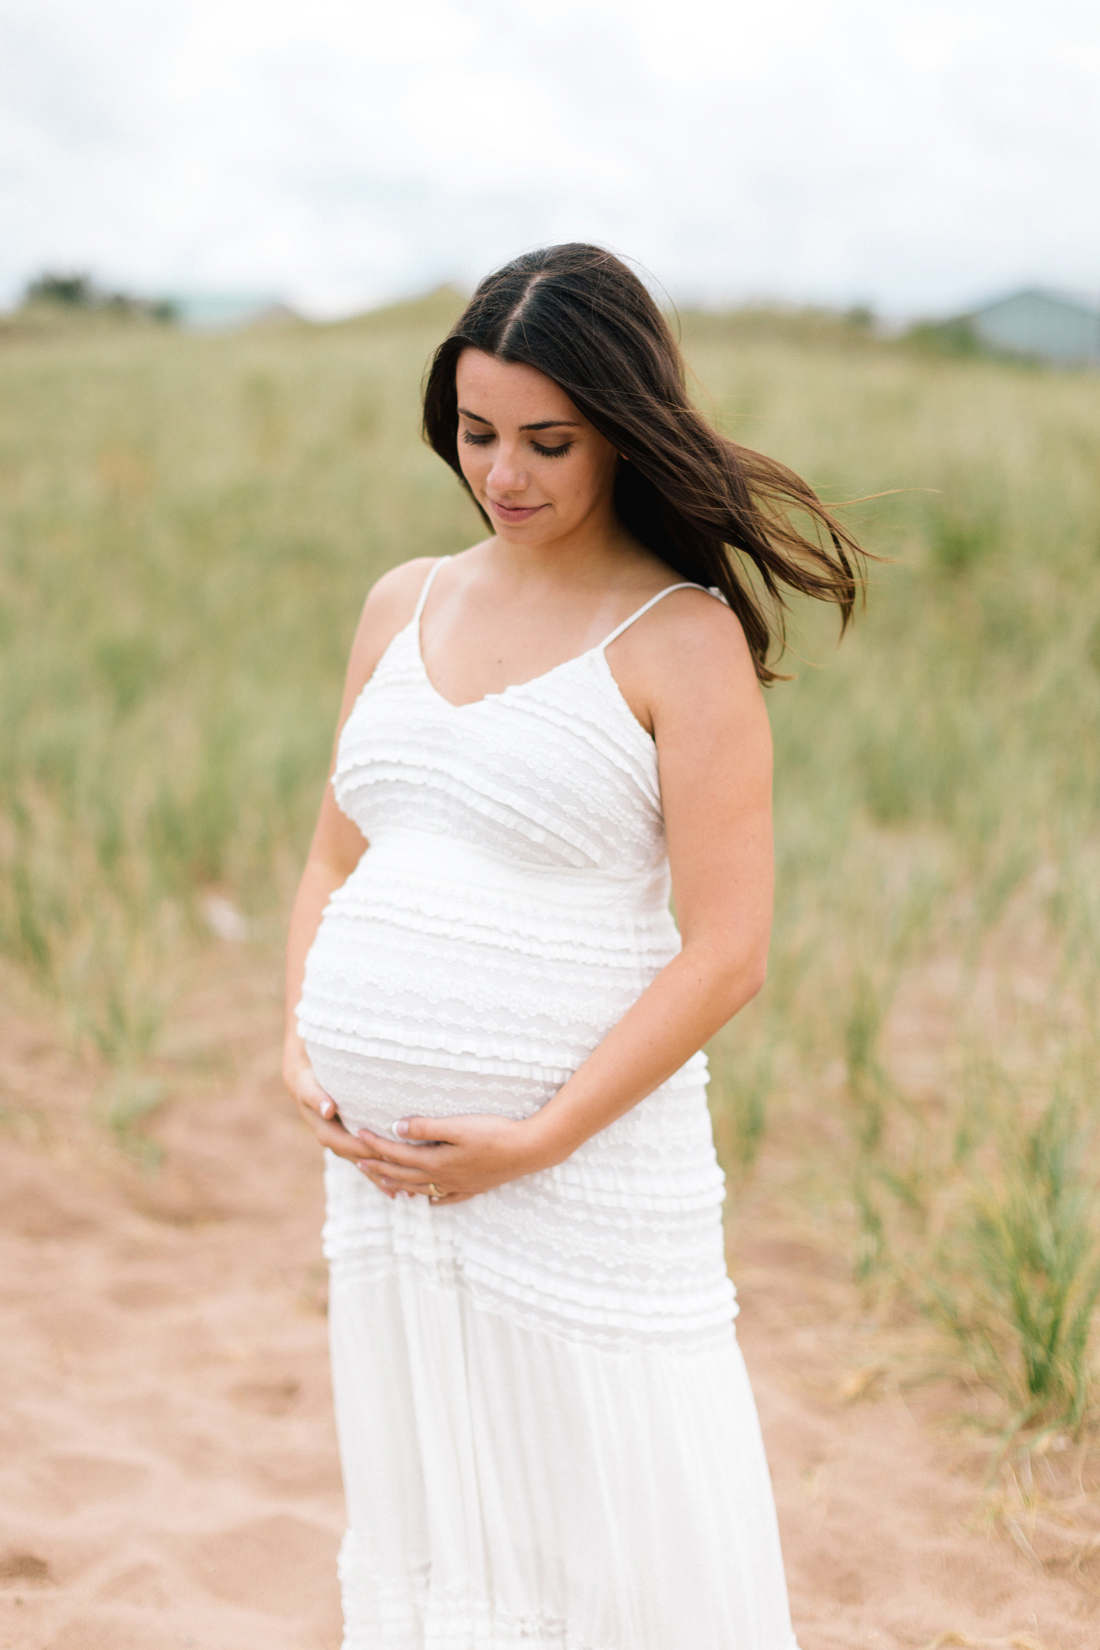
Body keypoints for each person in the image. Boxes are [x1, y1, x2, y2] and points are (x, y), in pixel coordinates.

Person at [284, 243, 862, 1650]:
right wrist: (298, 1026)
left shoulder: (684, 640)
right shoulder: (401, 601)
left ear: (622, 426)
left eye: (549, 440)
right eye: (478, 435)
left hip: (581, 1172)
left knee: (614, 1510)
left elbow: (728, 951)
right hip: (392, 1184)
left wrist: (537, 1139)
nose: (506, 473)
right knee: (446, 1505)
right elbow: (331, 849)